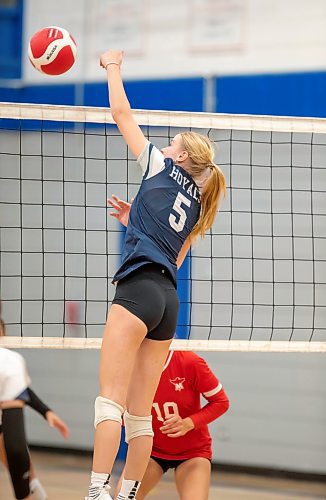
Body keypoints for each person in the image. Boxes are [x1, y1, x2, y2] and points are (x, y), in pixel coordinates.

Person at [86, 49, 226, 500]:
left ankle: (95, 493)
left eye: (170, 145)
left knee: (110, 400)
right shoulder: (199, 205)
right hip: (168, 300)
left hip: (138, 289)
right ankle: (126, 494)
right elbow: (176, 255)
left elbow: (120, 111)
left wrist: (112, 66)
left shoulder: (159, 166)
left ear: (180, 155)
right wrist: (137, 220)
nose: (163, 147)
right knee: (140, 415)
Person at [116, 350, 230, 500]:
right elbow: (121, 413)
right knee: (122, 497)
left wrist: (188, 423)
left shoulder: (189, 362)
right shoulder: (127, 366)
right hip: (150, 452)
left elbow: (221, 402)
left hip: (192, 453)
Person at [0, 314, 69, 500]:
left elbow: (21, 391)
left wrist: (46, 412)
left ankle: (32, 484)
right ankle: (29, 487)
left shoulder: (7, 364)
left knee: (7, 444)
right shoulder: (10, 361)